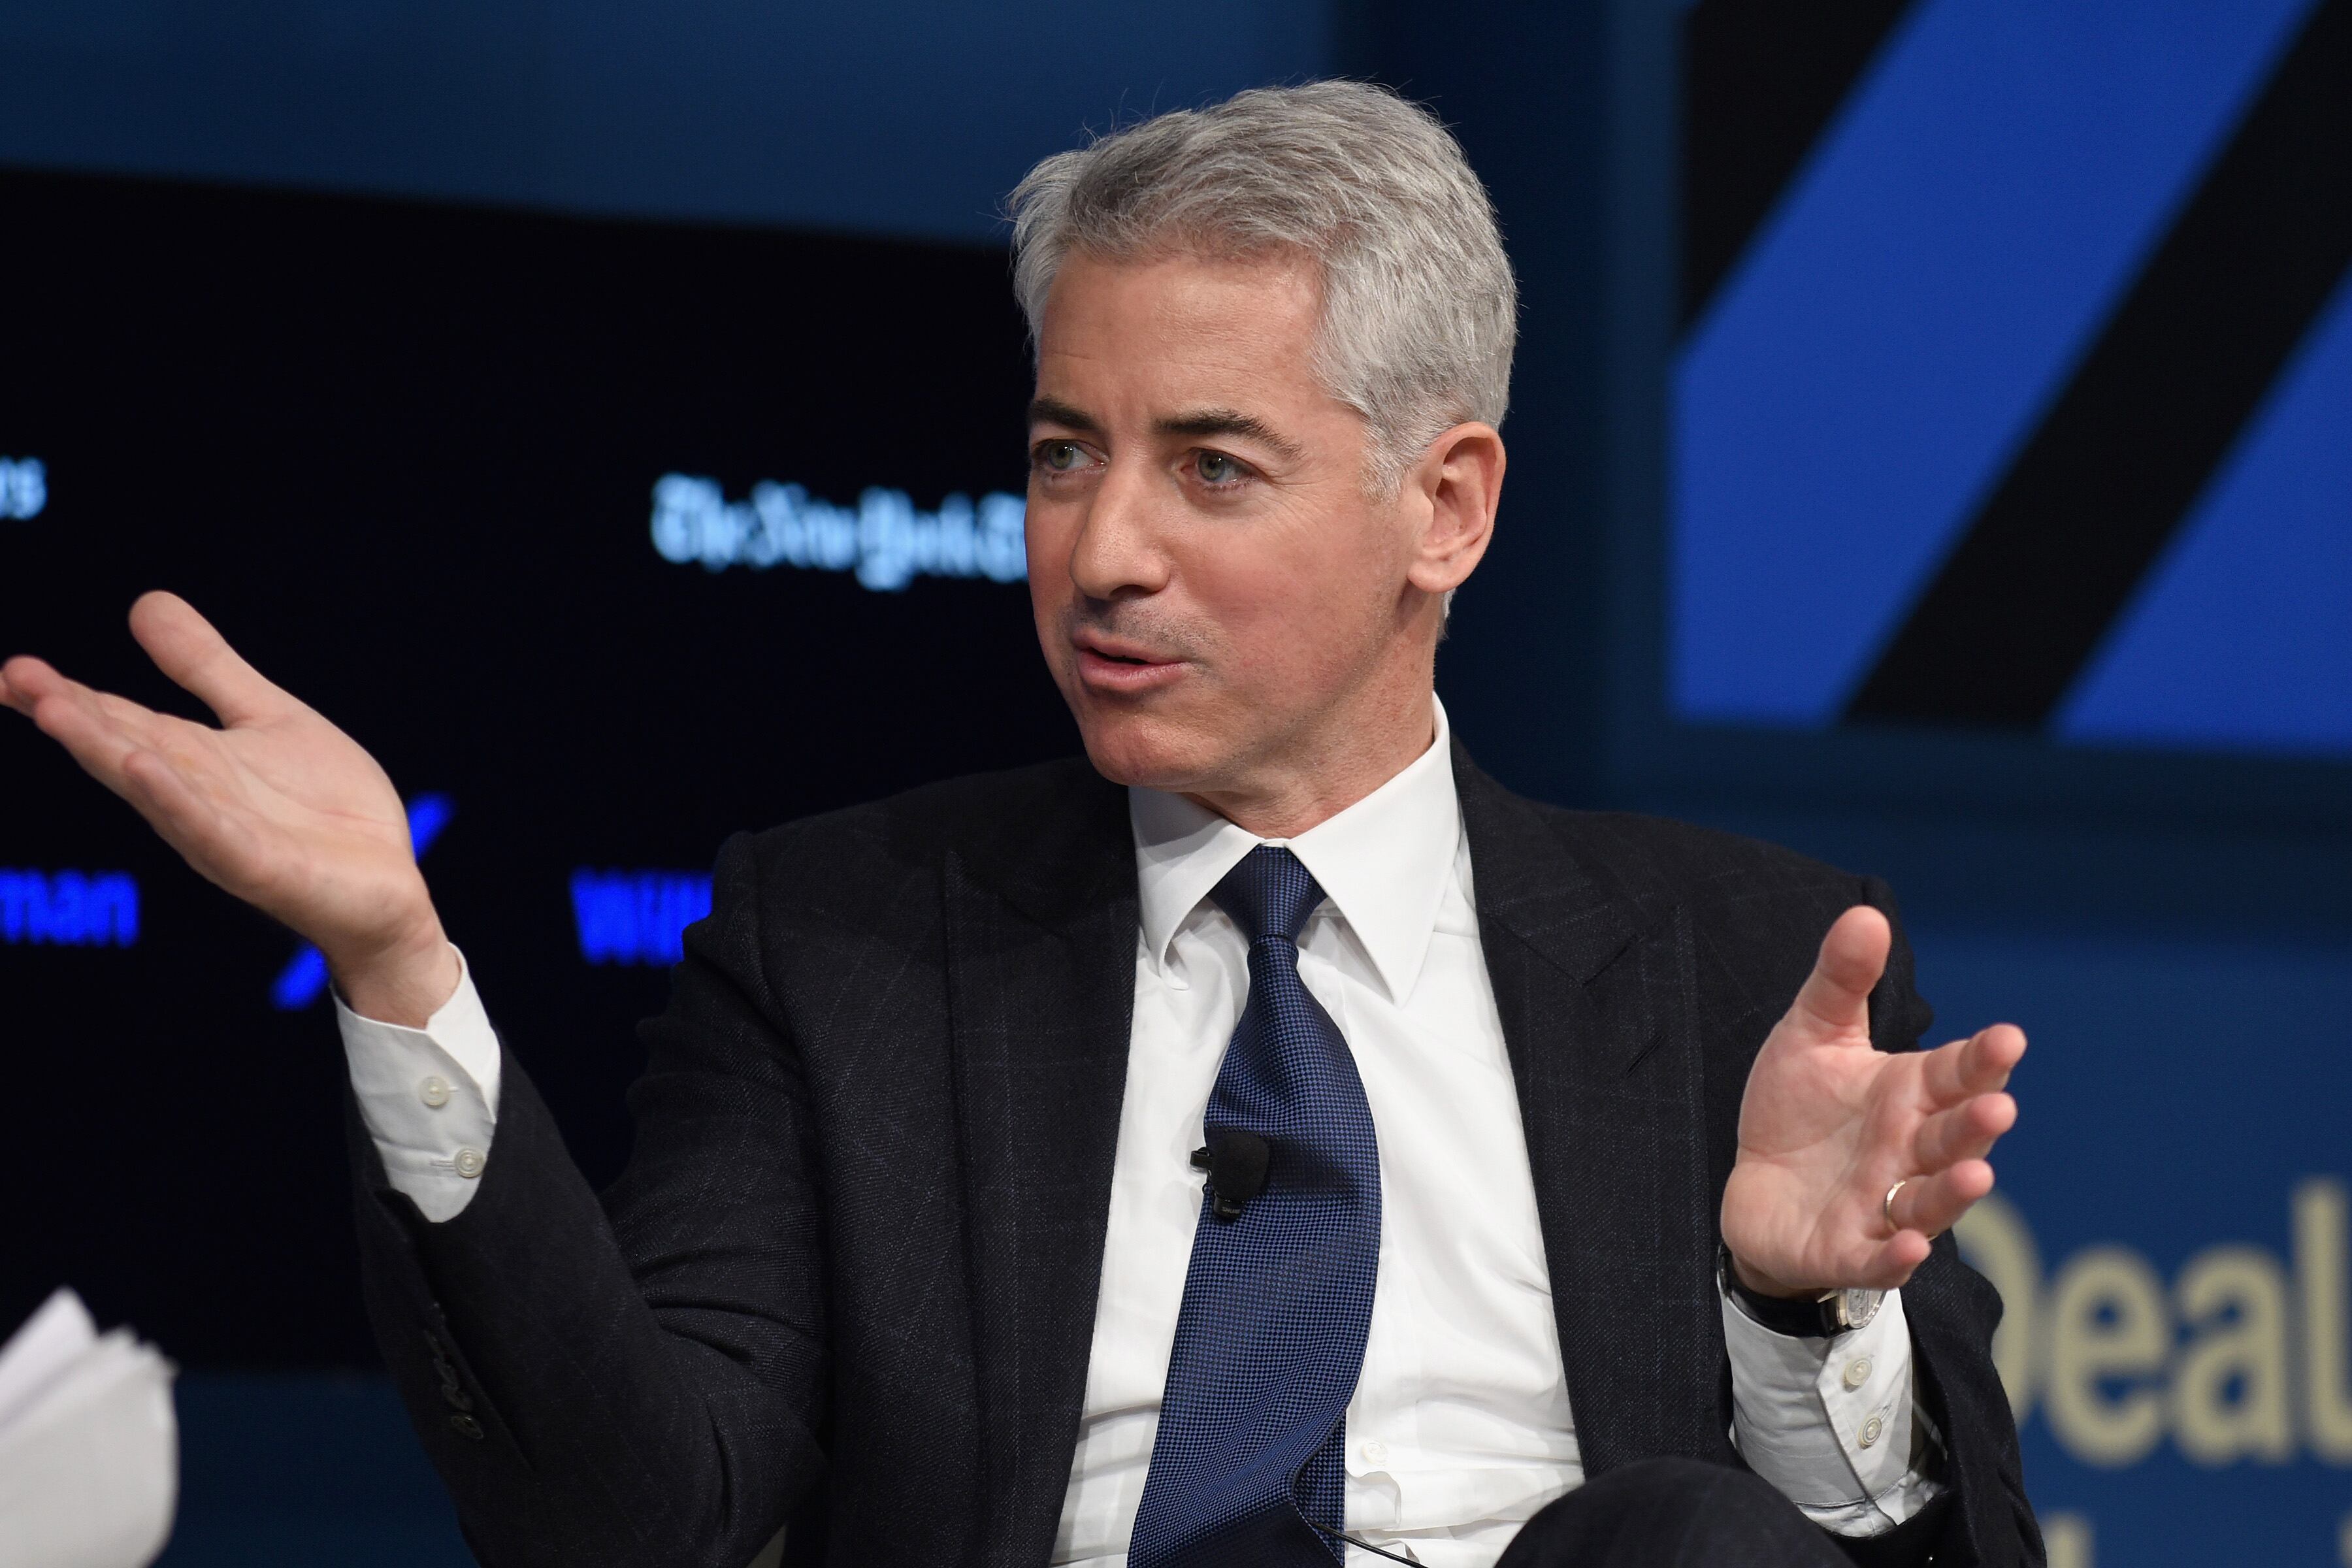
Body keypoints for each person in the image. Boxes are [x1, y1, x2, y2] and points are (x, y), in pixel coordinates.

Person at [0, 82, 2038, 1568]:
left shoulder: (1741, 965)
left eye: (1211, 468)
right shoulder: (844, 942)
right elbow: (633, 1513)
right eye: (1066, 455)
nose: (1102, 550)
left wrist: (1795, 1316)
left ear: (1450, 507)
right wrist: (398, 968)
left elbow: (1928, 1559)